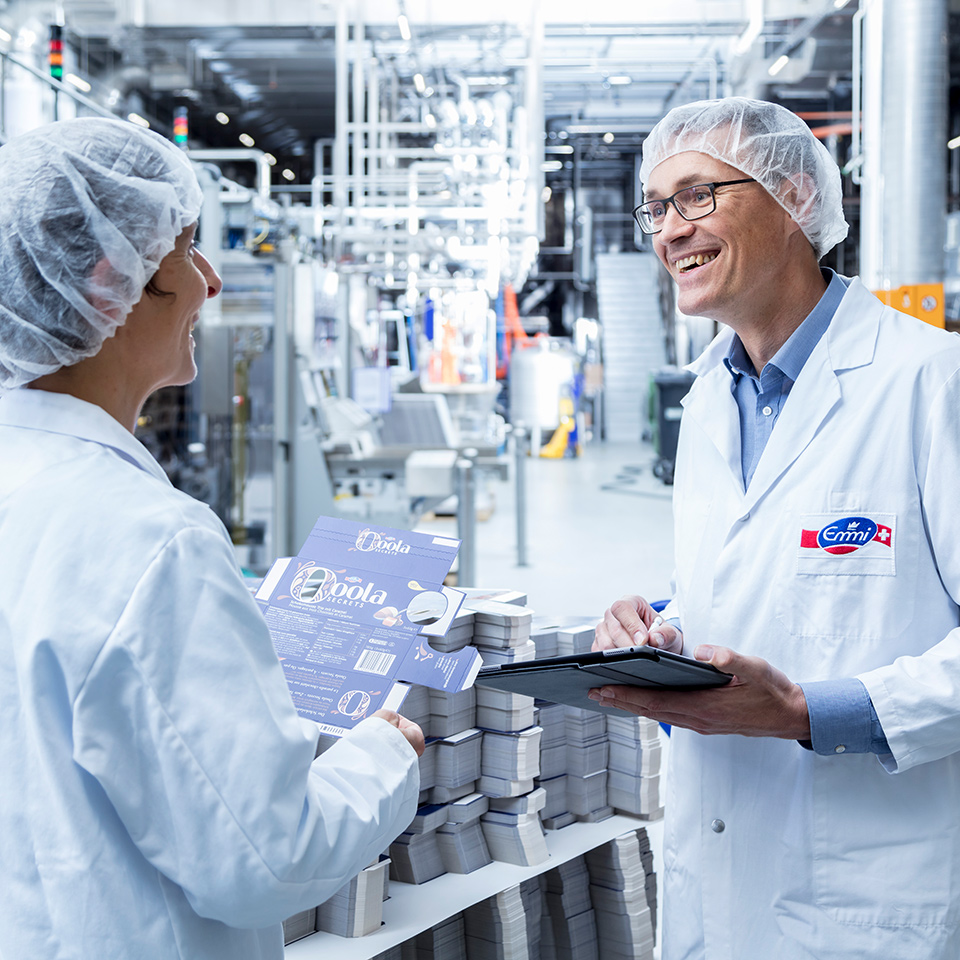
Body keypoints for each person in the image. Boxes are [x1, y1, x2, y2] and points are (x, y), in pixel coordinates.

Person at [0, 117, 424, 959]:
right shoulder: (149, 540)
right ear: (105, 284)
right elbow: (265, 856)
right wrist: (385, 755)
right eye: (188, 250)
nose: (212, 282)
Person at [591, 97, 960, 959]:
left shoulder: (930, 384)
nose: (669, 231)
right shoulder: (711, 398)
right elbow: (761, 582)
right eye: (656, 206)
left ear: (793, 194)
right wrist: (662, 622)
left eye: (696, 196)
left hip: (864, 900)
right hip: (715, 885)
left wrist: (805, 712)